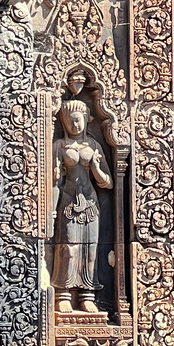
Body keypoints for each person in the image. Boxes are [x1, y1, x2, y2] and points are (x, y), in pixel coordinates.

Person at [51, 96, 112, 313]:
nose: (75, 125)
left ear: (86, 119)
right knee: (68, 247)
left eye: (78, 120)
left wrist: (95, 167)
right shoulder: (59, 145)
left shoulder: (94, 146)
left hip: (90, 202)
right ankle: (63, 293)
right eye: (70, 121)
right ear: (64, 123)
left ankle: (87, 295)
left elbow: (108, 182)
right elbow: (55, 182)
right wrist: (51, 211)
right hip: (68, 200)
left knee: (90, 249)